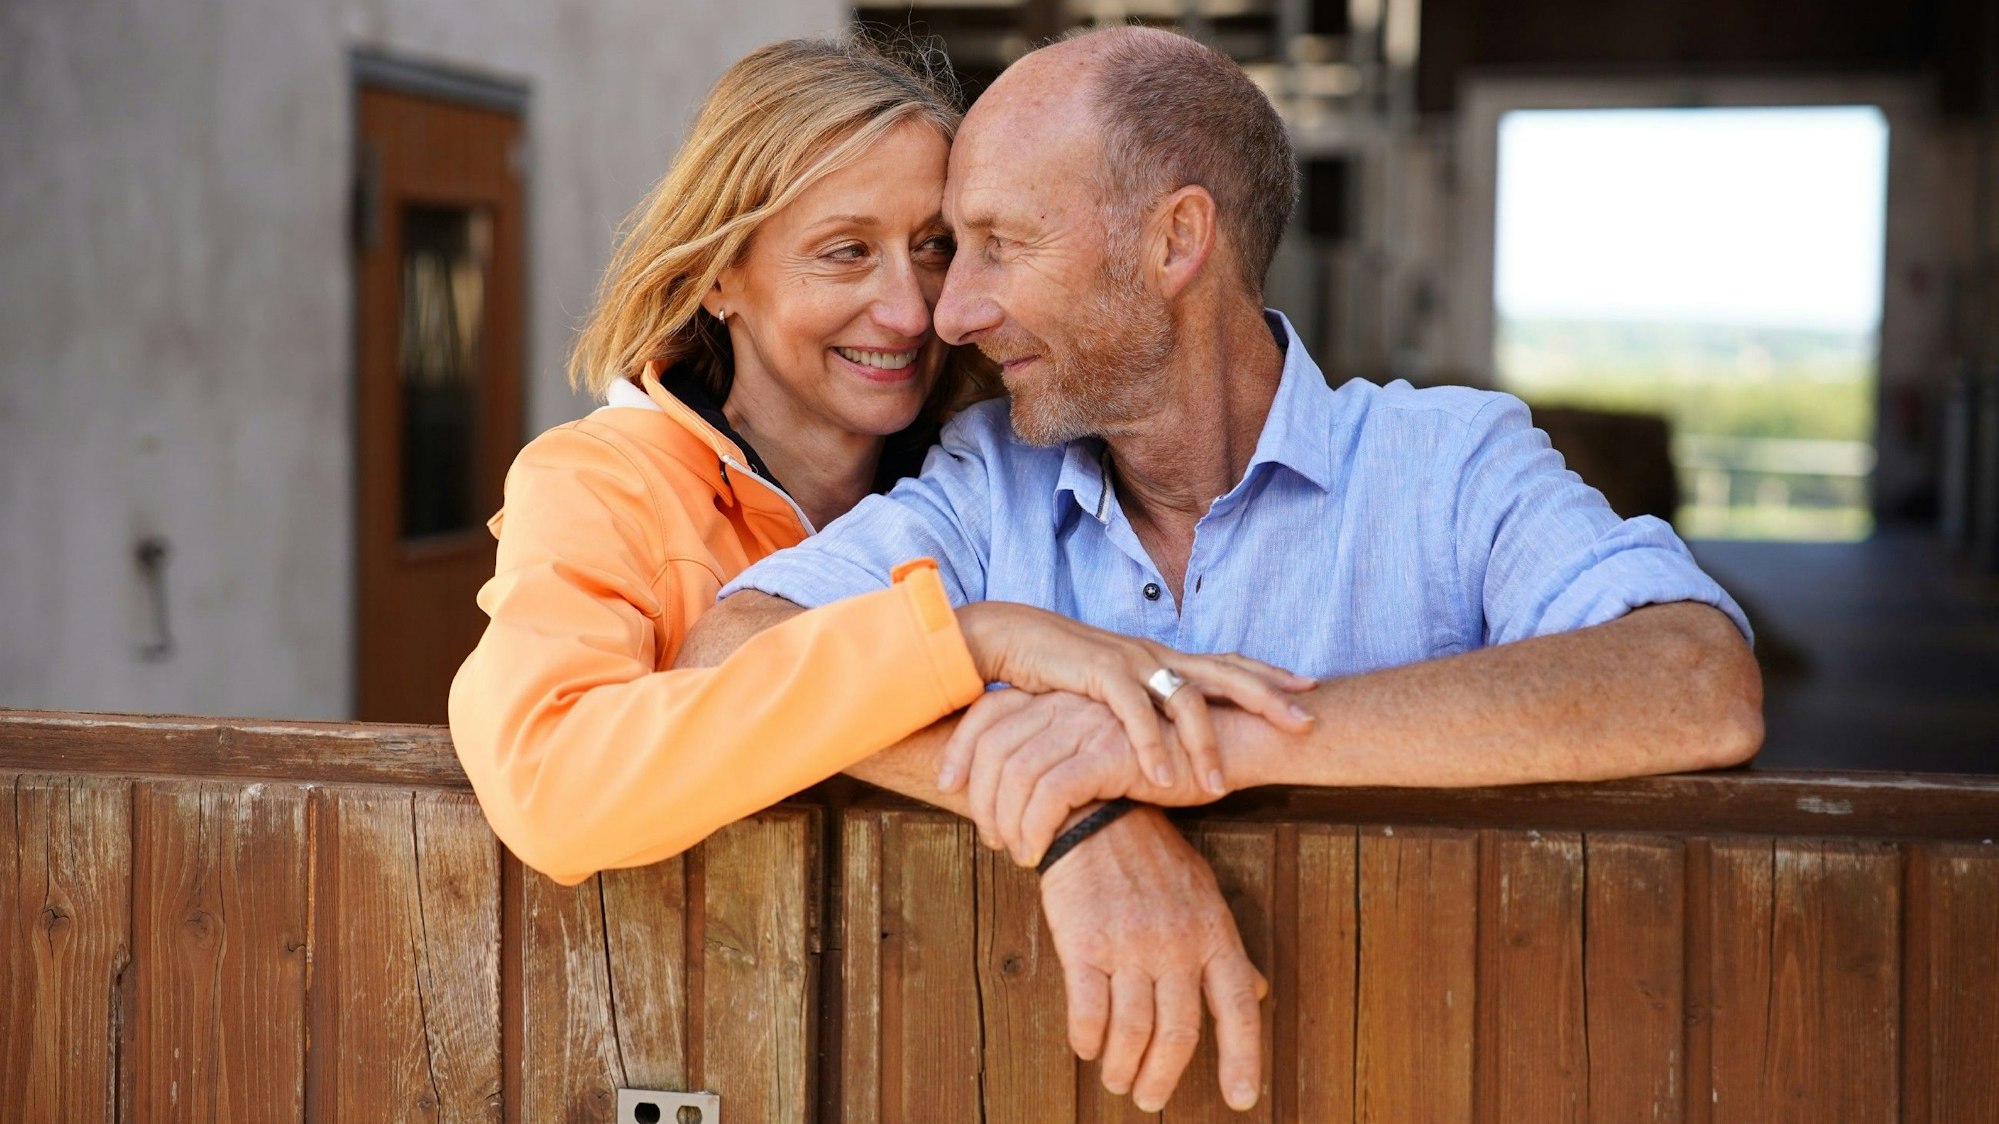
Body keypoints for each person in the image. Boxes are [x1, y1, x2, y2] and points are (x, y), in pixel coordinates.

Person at [681, 25, 1765, 1114]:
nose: (950, 311)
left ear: (1175, 239)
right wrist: (1077, 812)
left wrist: (1189, 743)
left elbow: (1696, 679)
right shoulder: (985, 482)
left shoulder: (1448, 462)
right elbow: (727, 651)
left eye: (999, 244)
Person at [447, 35, 1312, 889]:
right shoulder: (601, 483)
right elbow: (551, 788)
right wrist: (974, 646)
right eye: (846, 251)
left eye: (935, 247)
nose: (908, 312)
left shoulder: (1013, 472)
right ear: (718, 275)